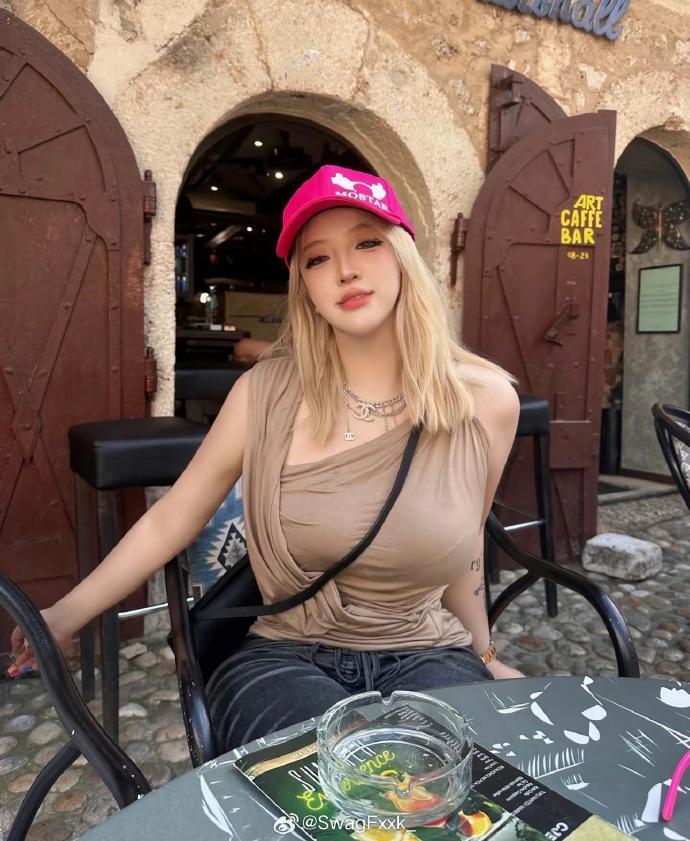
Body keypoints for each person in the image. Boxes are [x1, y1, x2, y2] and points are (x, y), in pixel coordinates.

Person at [11, 164, 523, 753]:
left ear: (404, 255)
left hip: (428, 650)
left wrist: (485, 653)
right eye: (317, 258)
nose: (346, 270)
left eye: (367, 243)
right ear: (304, 286)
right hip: (285, 655)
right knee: (322, 780)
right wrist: (65, 615)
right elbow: (172, 518)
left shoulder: (487, 402)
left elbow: (466, 546)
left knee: (440, 783)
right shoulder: (265, 393)